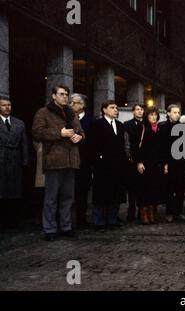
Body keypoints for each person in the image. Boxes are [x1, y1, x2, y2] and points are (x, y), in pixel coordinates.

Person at [32, 85, 84, 241]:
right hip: (54, 160)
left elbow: (81, 132)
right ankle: (49, 229)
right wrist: (59, 133)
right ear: (53, 96)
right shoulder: (43, 112)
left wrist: (80, 137)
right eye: (61, 94)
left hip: (71, 160)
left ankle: (66, 227)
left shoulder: (71, 113)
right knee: (51, 198)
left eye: (67, 94)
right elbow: (36, 132)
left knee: (68, 198)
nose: (65, 97)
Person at [88, 101, 128, 231]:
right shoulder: (97, 125)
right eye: (112, 108)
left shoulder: (120, 126)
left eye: (116, 108)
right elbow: (92, 145)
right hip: (102, 166)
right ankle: (98, 222)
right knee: (101, 193)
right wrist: (97, 161)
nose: (116, 110)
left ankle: (112, 219)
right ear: (104, 110)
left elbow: (123, 146)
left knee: (115, 193)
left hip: (118, 166)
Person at [132, 106, 168, 225]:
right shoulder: (141, 127)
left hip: (157, 165)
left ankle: (152, 213)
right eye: (151, 115)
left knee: (154, 189)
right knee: (143, 189)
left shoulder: (159, 129)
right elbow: (135, 147)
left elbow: (164, 148)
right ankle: (144, 214)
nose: (153, 117)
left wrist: (164, 163)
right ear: (147, 116)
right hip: (145, 164)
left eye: (155, 115)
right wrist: (139, 162)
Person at [0, 96, 29, 229]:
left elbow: (24, 143)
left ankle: (13, 219)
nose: (7, 107)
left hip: (15, 159)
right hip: (1, 157)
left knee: (14, 190)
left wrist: (25, 160)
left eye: (9, 105)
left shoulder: (19, 123)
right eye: (4, 105)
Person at [160, 104, 185, 222]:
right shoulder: (162, 127)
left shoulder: (182, 127)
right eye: (174, 112)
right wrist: (165, 163)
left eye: (178, 112)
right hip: (169, 162)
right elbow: (162, 147)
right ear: (168, 113)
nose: (177, 114)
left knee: (181, 189)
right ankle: (169, 212)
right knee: (169, 188)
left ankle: (178, 212)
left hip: (181, 162)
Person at [70, 93, 95, 228]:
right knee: (67, 192)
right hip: (68, 160)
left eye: (74, 103)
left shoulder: (91, 121)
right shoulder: (66, 118)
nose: (71, 105)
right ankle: (65, 221)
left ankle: (81, 219)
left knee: (82, 192)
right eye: (71, 102)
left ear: (82, 105)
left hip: (84, 161)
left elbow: (94, 142)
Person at [124, 103, 144, 222]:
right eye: (137, 109)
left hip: (143, 160)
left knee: (142, 188)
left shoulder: (145, 124)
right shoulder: (127, 124)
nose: (140, 111)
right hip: (131, 160)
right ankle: (131, 213)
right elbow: (127, 143)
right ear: (133, 111)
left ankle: (141, 213)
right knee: (131, 189)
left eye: (141, 109)